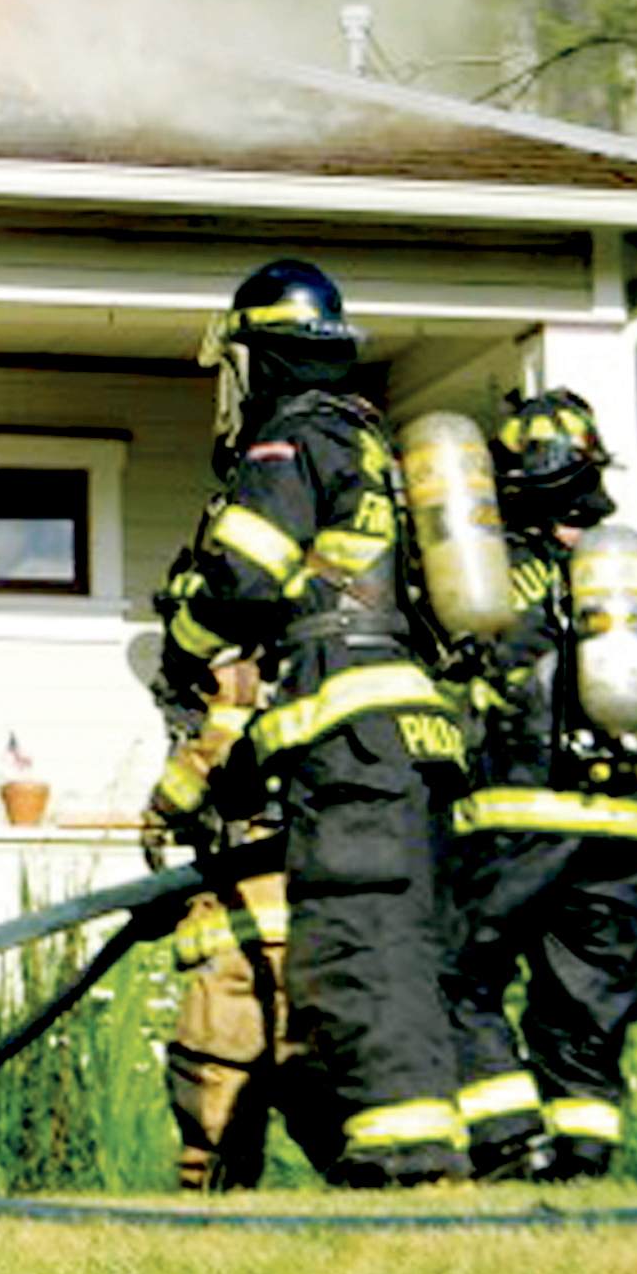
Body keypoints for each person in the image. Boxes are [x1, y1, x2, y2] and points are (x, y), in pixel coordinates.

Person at [153, 258, 471, 1187]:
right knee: (398, 946)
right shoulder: (371, 447)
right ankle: (419, 1149)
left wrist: (183, 637)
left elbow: (245, 581)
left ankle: (406, 1160)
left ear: (262, 359)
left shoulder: (291, 444)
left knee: (353, 945)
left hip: (352, 737)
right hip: (412, 737)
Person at [445, 388, 637, 1181]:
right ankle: (579, 1161)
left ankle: (508, 1139)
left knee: (457, 975)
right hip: (624, 826)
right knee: (588, 1005)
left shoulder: (494, 571)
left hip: (521, 816)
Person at [143, 596, 294, 1191]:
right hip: (315, 944)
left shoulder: (228, 735)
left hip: (243, 945)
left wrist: (220, 721)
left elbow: (170, 806)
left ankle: (212, 1202)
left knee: (213, 1085)